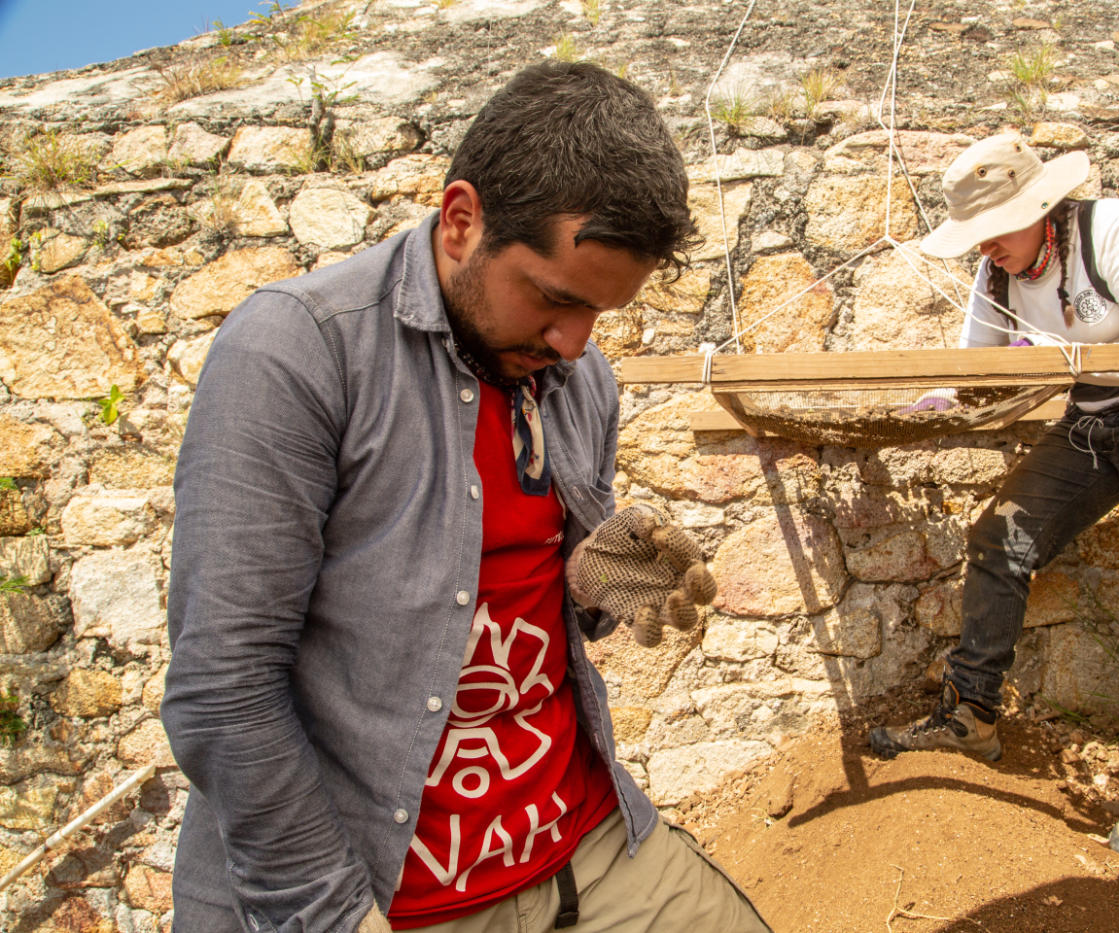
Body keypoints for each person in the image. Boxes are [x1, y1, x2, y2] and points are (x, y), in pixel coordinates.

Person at [162, 61, 771, 933]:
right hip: (377, 888)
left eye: (602, 313)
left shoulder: (575, 372)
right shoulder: (298, 353)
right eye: (556, 300)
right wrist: (332, 916)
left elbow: (522, 610)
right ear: (460, 221)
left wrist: (595, 584)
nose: (575, 342)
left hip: (581, 844)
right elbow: (223, 689)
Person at [868, 133, 1119, 861]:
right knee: (998, 538)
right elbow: (975, 366)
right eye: (972, 238)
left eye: (991, 232)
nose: (983, 250)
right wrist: (941, 393)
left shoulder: (1114, 230)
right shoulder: (998, 274)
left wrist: (1064, 360)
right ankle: (972, 715)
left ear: (1039, 208)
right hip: (1093, 416)